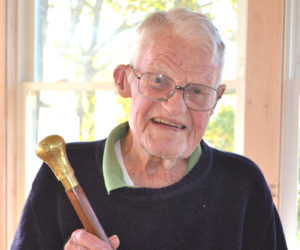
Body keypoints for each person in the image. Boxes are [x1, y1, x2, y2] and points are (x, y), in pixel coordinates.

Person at [11, 7, 287, 250]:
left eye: (198, 91)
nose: (176, 107)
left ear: (216, 100)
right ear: (123, 81)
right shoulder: (62, 174)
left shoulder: (242, 185)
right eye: (158, 80)